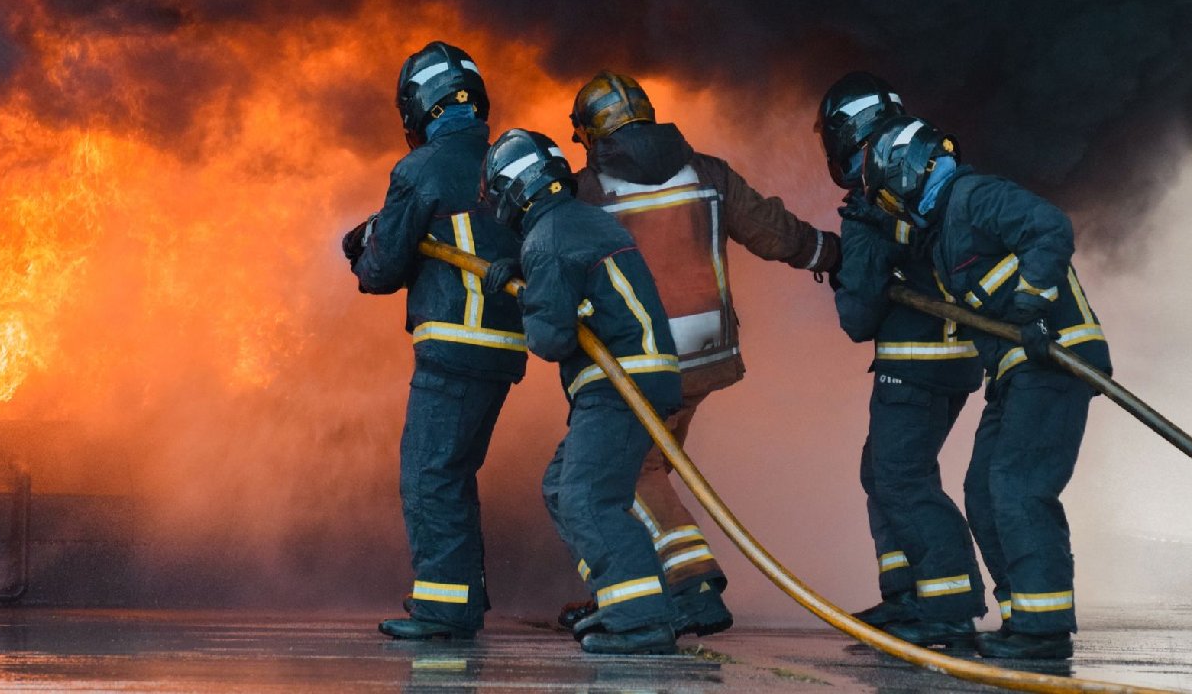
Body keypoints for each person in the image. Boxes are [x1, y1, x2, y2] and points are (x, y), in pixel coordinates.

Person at [562, 71, 840, 638]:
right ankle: (650, 590)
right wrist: (830, 253)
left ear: (590, 133)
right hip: (705, 355)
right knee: (653, 466)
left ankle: (694, 587)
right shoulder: (706, 172)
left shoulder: (587, 191)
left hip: (637, 362)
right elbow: (771, 231)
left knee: (626, 475)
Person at [861, 116, 1113, 661]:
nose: (891, 204)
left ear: (908, 172)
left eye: (889, 193)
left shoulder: (976, 196)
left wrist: (1033, 302)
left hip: (1056, 355)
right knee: (984, 488)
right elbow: (915, 252)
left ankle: (1043, 632)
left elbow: (1050, 227)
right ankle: (1025, 616)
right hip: (1017, 370)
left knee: (1017, 485)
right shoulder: (947, 227)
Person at [344, 41, 525, 641]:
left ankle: (446, 608)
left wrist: (365, 249)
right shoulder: (504, 159)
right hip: (502, 348)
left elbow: (381, 271)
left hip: (452, 345)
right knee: (453, 473)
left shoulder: (421, 168)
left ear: (417, 106)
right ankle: (462, 594)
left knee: (427, 476)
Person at [480, 128, 682, 655]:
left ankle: (641, 619)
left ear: (512, 190)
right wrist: (522, 273)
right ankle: (618, 601)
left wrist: (521, 292)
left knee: (588, 497)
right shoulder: (575, 221)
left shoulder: (547, 237)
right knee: (560, 487)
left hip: (620, 385)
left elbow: (549, 339)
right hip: (633, 379)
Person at [819, 74, 987, 648]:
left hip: (913, 366)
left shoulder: (872, 196)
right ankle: (907, 593)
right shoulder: (922, 168)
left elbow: (856, 319)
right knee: (885, 471)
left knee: (900, 477)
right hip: (958, 360)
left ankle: (946, 603)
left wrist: (849, 274)